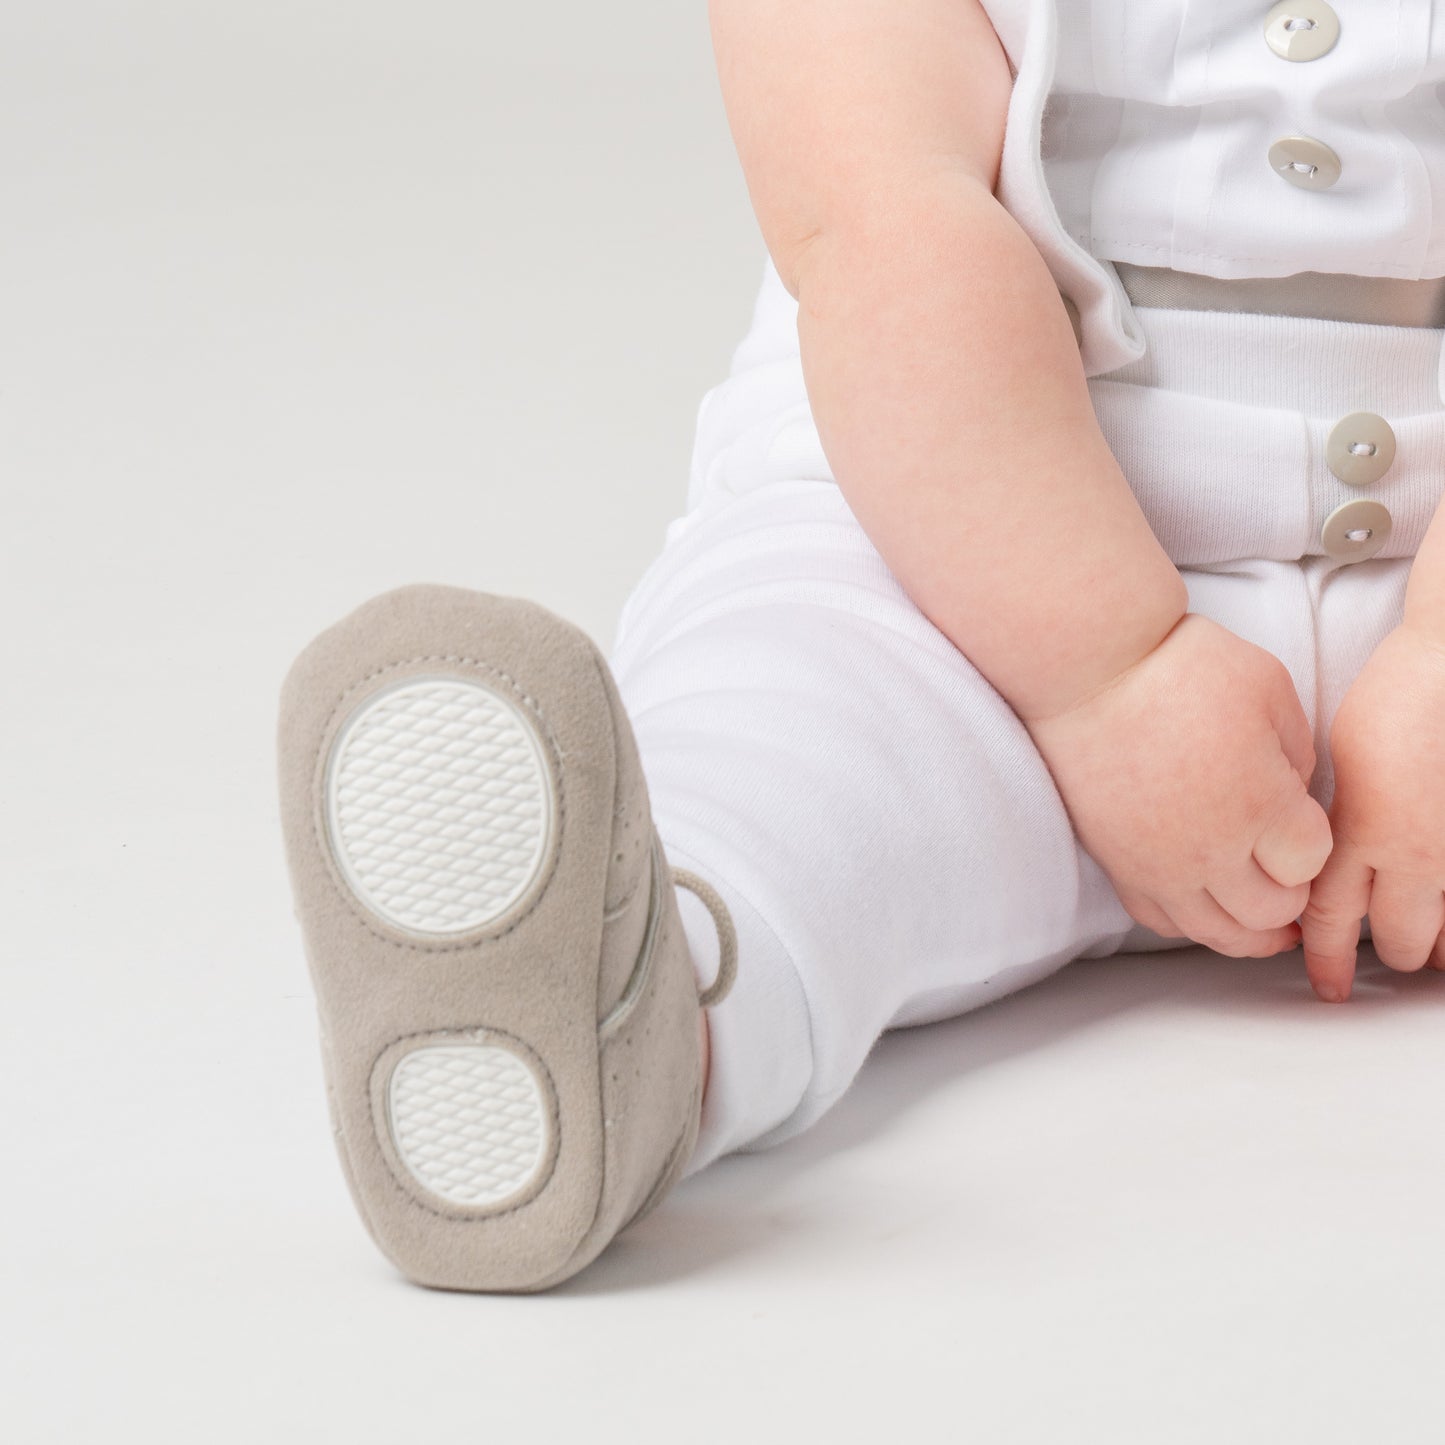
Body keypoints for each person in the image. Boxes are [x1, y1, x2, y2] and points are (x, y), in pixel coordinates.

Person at [276, 0, 1445, 1292]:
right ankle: (629, 1007)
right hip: (964, 543)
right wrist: (1103, 676)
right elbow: (886, 220)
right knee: (805, 736)